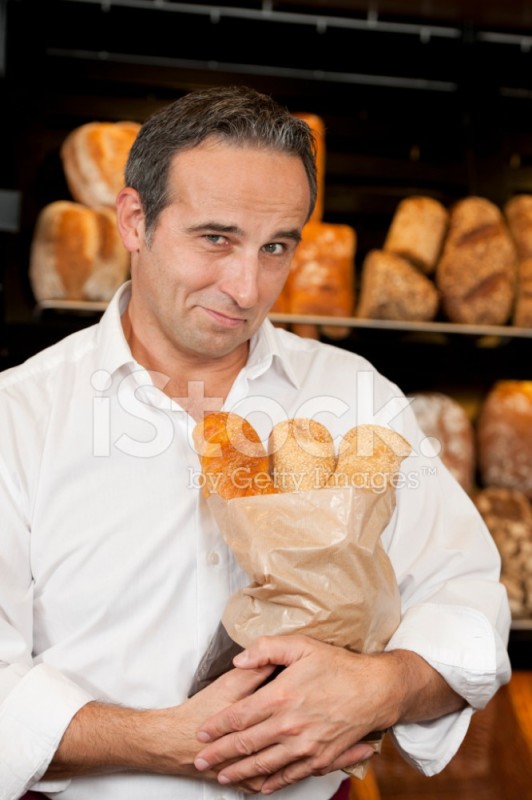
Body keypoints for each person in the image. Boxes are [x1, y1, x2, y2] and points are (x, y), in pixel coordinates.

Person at [0, 85, 511, 800]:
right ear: (134, 221)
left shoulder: (356, 396)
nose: (246, 287)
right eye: (216, 239)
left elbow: (467, 607)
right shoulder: (20, 416)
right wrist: (162, 742)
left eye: (276, 247)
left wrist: (384, 687)